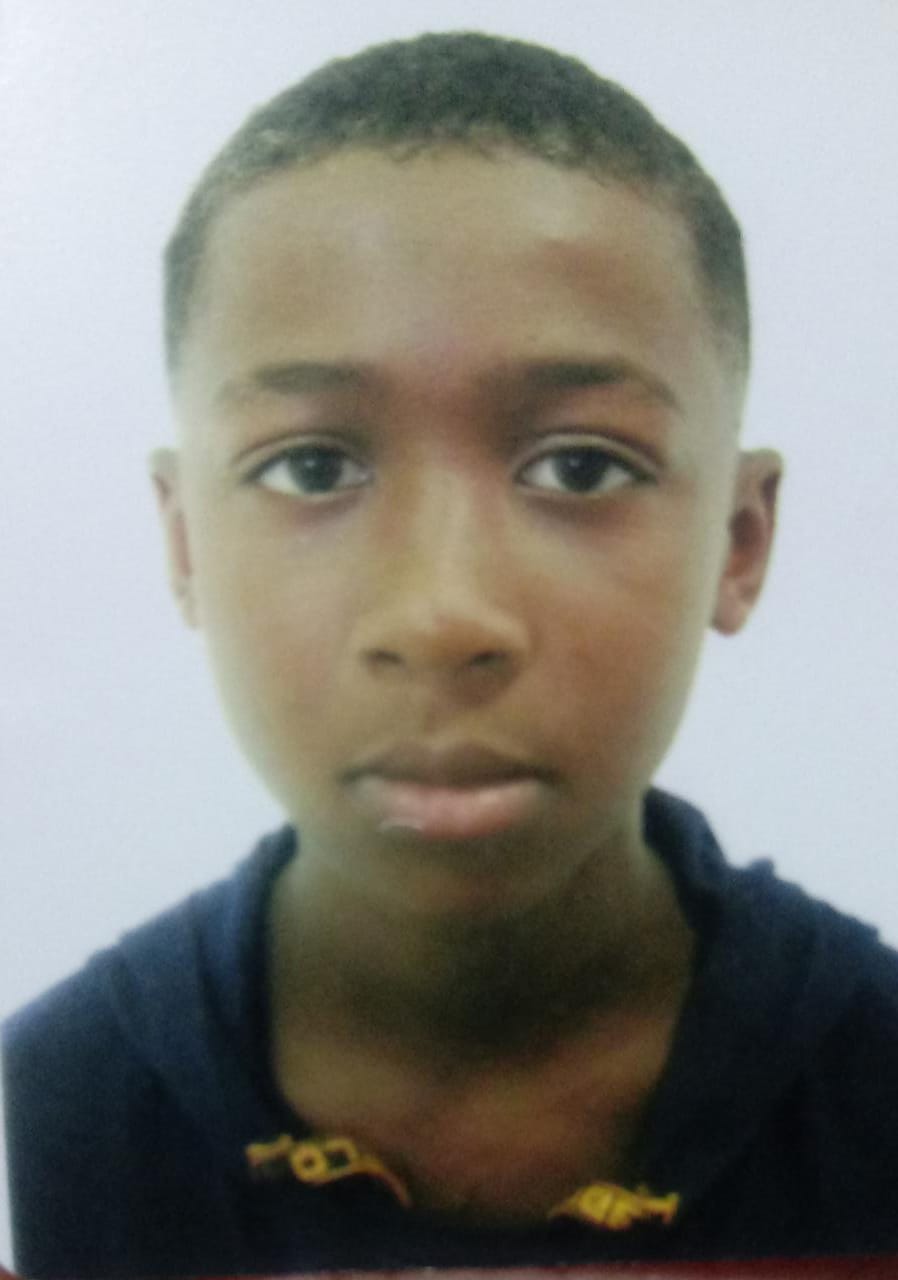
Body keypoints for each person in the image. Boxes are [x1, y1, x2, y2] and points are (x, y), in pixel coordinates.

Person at [4, 30, 898, 1279]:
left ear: (739, 543)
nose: (442, 616)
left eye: (579, 466)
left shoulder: (876, 1084)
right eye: (310, 465)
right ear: (185, 540)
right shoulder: (51, 1110)